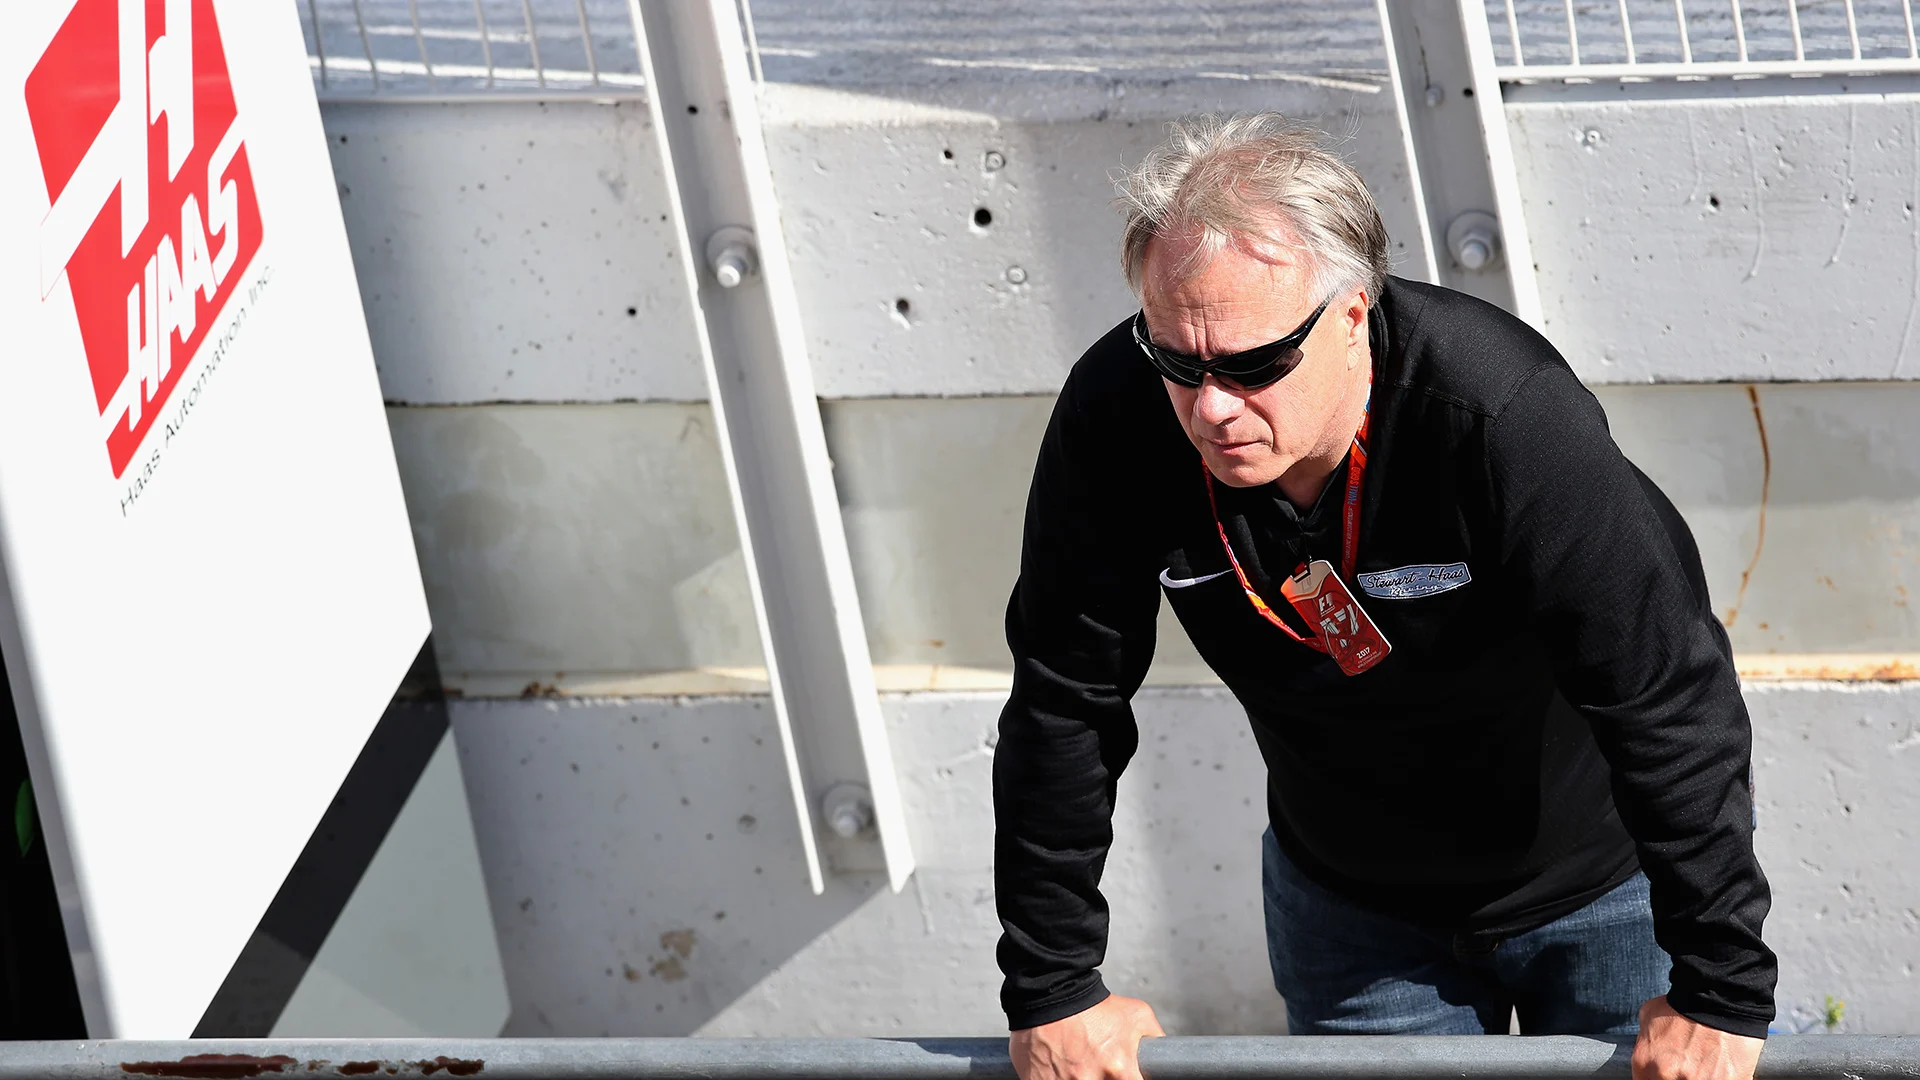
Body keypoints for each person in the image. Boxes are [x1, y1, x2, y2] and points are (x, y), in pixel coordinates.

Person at [993, 114, 1774, 1080]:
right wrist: (1053, 986)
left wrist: (1721, 989)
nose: (1213, 409)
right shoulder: (1119, 416)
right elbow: (1065, 695)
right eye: (1179, 365)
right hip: (1352, 915)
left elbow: (1669, 692)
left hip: (1602, 894)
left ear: (1353, 313)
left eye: (1253, 364)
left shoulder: (1502, 414)